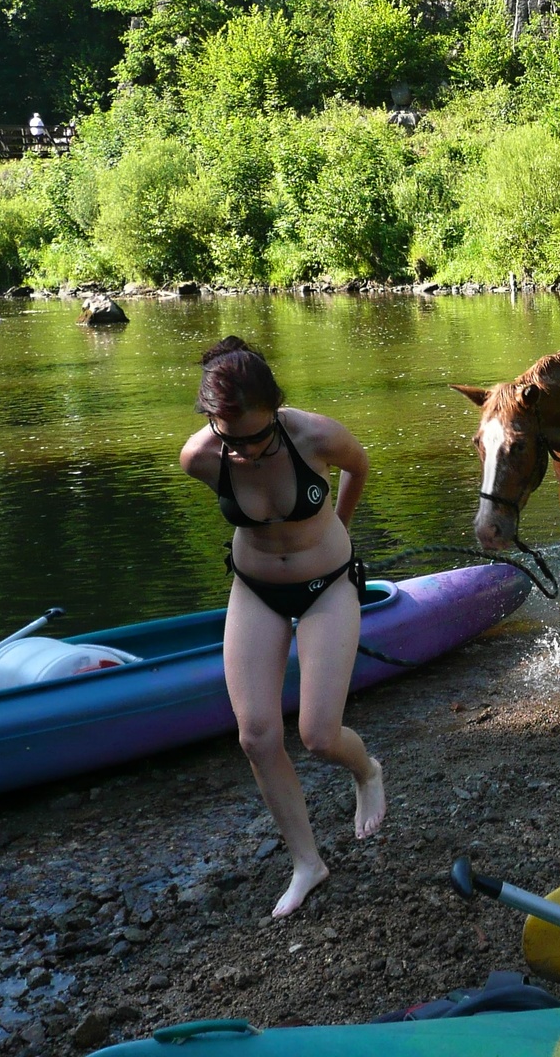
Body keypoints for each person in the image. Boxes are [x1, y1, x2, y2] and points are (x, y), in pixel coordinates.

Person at [179, 337, 381, 918]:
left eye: (256, 438)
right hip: (255, 589)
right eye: (230, 438)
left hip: (329, 586)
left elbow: (359, 466)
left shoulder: (315, 435)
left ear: (276, 409)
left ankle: (367, 771)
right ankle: (306, 863)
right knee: (257, 736)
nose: (242, 451)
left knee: (319, 735)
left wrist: (338, 528)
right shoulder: (200, 457)